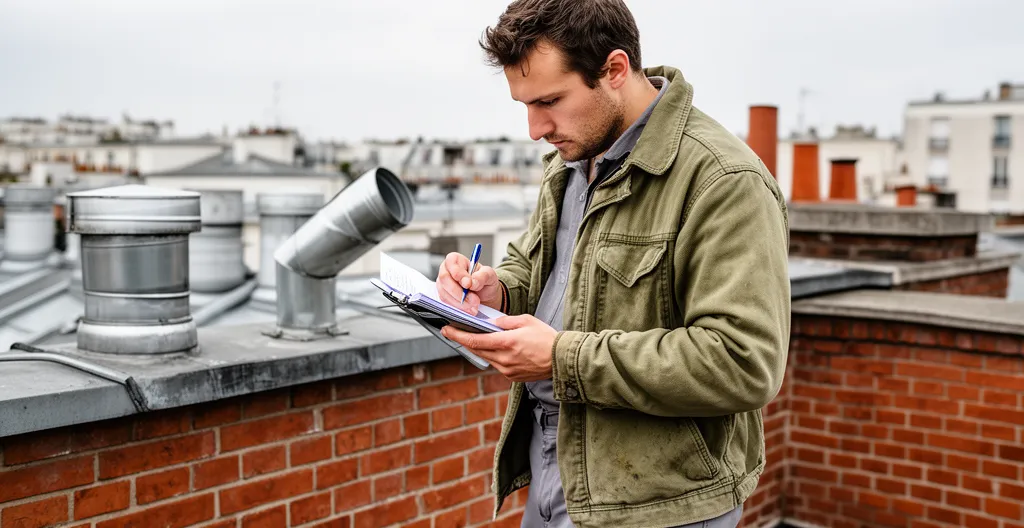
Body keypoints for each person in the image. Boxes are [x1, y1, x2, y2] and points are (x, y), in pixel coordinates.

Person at [434, 1, 791, 526]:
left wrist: (562, 359)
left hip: (661, 504)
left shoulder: (724, 180)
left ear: (615, 70)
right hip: (555, 471)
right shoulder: (575, 156)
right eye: (526, 105)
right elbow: (545, 273)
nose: (536, 128)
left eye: (551, 100)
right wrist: (497, 292)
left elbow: (742, 361)